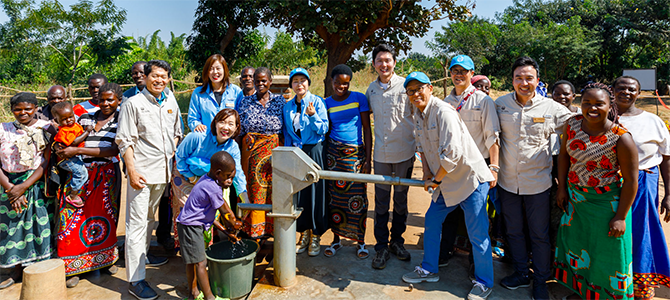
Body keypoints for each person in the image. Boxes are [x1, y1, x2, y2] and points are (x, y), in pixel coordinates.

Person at [400, 72, 495, 300]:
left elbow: (453, 155)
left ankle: (484, 283)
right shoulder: (418, 114)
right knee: (432, 222)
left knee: (477, 234)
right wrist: (426, 173)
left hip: (470, 180)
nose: (415, 94)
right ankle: (429, 269)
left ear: (430, 88)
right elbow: (422, 147)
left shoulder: (444, 112)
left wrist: (437, 179)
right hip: (445, 181)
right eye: (410, 91)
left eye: (419, 89)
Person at [495, 56, 572, 300]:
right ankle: (520, 273)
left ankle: (540, 281)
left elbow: (577, 128)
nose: (524, 82)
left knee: (539, 235)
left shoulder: (552, 109)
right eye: (519, 77)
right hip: (507, 182)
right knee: (514, 231)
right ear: (512, 80)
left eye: (529, 78)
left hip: (538, 184)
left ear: (538, 80)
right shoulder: (500, 104)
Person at [555, 83, 638, 300]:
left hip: (606, 205)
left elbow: (630, 181)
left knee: (608, 254)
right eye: (587, 103)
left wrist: (620, 217)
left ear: (610, 105)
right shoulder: (572, 124)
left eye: (599, 104)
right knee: (579, 246)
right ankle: (583, 292)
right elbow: (564, 157)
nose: (592, 108)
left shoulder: (621, 137)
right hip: (576, 200)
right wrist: (562, 188)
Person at [116, 60, 183, 300]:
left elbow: (177, 132)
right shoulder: (133, 103)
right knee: (135, 225)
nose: (160, 80)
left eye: (164, 76)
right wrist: (132, 171)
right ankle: (136, 280)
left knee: (148, 220)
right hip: (141, 175)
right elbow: (124, 140)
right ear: (145, 77)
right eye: (155, 76)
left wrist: (170, 158)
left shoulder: (171, 100)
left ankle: (141, 257)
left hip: (163, 174)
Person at [55, 83, 124, 287]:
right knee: (72, 221)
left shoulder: (122, 121)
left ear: (118, 100)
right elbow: (66, 137)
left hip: (106, 175)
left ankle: (104, 260)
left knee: (106, 218)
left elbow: (113, 150)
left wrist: (75, 152)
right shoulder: (85, 117)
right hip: (79, 175)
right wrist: (64, 148)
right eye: (102, 99)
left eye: (110, 100)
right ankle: (73, 268)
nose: (105, 103)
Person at [442, 55, 501, 279]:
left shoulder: (483, 101)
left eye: (463, 71)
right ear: (450, 73)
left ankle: (476, 263)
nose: (459, 74)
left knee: (477, 217)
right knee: (450, 213)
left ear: (471, 73)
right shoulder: (446, 102)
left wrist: (493, 167)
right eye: (454, 70)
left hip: (478, 167)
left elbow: (491, 136)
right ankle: (444, 252)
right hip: (452, 167)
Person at [614, 76, 670, 300]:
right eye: (621, 88)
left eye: (631, 89)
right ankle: (611, 282)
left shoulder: (653, 121)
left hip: (644, 183)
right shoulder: (603, 116)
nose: (626, 92)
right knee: (611, 233)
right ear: (613, 90)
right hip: (609, 184)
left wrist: (669, 194)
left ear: (639, 92)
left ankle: (640, 285)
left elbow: (666, 158)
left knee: (641, 233)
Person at [364, 44, 415, 269]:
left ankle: (397, 242)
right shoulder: (370, 91)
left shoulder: (407, 86)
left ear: (394, 62)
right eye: (379, 60)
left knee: (401, 201)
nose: (383, 64)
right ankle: (381, 247)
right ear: (373, 64)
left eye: (387, 60)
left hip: (405, 153)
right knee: (381, 203)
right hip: (381, 156)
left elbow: (418, 115)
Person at [172, 108, 248, 249]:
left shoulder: (232, 147)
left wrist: (244, 197)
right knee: (193, 212)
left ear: (237, 128)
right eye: (222, 122)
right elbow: (180, 157)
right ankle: (190, 249)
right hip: (184, 176)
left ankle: (204, 249)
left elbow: (237, 173)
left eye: (231, 124)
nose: (226, 127)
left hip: (208, 180)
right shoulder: (198, 137)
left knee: (212, 211)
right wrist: (193, 178)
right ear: (215, 123)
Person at [0, 92, 53, 290]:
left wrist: (23, 187)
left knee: (37, 226)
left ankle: (37, 269)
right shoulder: (2, 129)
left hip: (34, 183)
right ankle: (14, 269)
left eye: (27, 109)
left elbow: (46, 160)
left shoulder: (46, 128)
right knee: (11, 227)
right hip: (7, 184)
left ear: (35, 108)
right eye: (17, 109)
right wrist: (11, 189)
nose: (22, 113)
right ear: (12, 110)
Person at [176, 151, 243, 300]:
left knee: (192, 261)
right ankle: (209, 297)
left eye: (232, 177)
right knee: (201, 262)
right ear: (218, 173)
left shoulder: (206, 180)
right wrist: (235, 223)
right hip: (191, 227)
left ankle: (193, 293)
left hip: (189, 224)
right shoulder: (212, 188)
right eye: (228, 177)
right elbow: (225, 211)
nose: (230, 181)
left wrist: (227, 233)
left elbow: (209, 218)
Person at [323, 64, 372, 259]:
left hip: (355, 154)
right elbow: (326, 130)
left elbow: (367, 129)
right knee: (336, 199)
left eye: (345, 83)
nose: (341, 87)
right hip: (334, 154)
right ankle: (336, 240)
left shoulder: (359, 98)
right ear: (331, 82)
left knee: (358, 199)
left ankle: (360, 242)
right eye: (337, 83)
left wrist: (368, 159)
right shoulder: (326, 102)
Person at [283, 67, 329, 257]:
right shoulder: (287, 106)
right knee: (300, 193)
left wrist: (313, 115)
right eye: (295, 81)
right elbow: (287, 132)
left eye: (303, 80)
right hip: (297, 152)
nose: (299, 84)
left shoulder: (317, 102)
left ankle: (316, 235)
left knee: (315, 192)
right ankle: (304, 234)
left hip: (314, 150)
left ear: (308, 83)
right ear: (291, 85)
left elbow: (323, 129)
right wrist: (287, 154)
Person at [236, 67, 284, 239]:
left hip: (273, 153)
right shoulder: (246, 102)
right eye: (257, 81)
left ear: (270, 82)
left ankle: (271, 229)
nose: (260, 84)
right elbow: (239, 129)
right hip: (251, 153)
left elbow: (284, 129)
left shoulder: (279, 102)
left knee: (273, 190)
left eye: (264, 80)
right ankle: (254, 230)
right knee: (254, 191)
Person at [50, 101, 92, 207]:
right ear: (57, 120)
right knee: (82, 174)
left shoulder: (74, 125)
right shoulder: (64, 131)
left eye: (71, 116)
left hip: (74, 157)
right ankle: (73, 195)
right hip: (67, 160)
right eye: (64, 119)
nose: (69, 120)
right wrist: (87, 132)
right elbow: (73, 142)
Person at [188, 54, 242, 132]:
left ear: (224, 70)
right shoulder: (198, 93)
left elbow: (241, 118)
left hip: (229, 139)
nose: (215, 72)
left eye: (218, 68)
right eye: (211, 69)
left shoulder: (236, 92)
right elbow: (193, 118)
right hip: (206, 139)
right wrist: (197, 125)